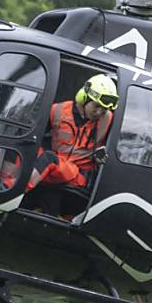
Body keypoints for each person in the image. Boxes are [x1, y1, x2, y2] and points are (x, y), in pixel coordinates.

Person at [25, 74, 118, 212]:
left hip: (78, 176)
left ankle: (13, 192)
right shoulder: (57, 110)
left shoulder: (108, 120)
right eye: (96, 106)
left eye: (104, 110)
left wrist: (102, 158)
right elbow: (33, 135)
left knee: (49, 159)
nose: (99, 112)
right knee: (26, 152)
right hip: (56, 170)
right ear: (84, 97)